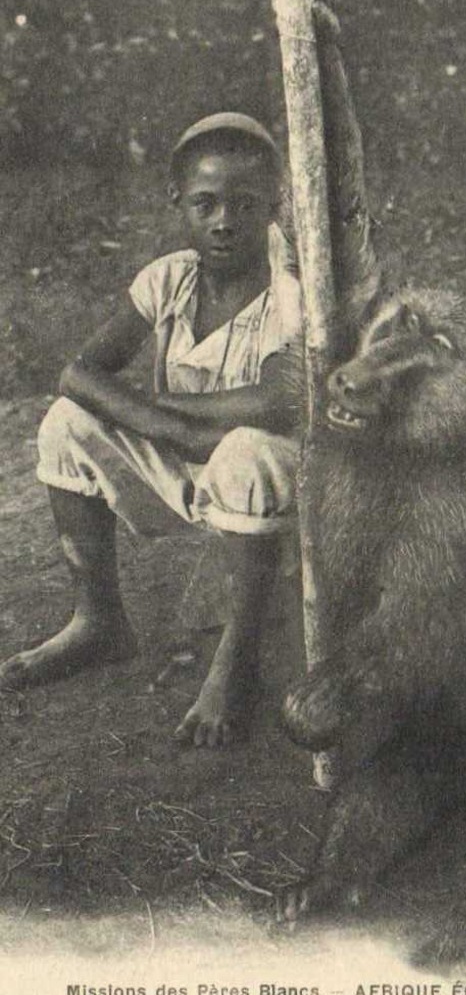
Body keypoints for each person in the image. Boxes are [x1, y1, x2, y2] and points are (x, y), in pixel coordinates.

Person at [0, 112, 304, 748]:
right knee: (66, 425)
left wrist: (158, 415)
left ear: (274, 206)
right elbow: (78, 373)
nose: (224, 221)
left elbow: (278, 398)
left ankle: (235, 660)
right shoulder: (169, 279)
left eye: (245, 205)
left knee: (249, 449)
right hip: (181, 458)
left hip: (269, 489)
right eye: (205, 203)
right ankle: (98, 619)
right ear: (179, 205)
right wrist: (161, 422)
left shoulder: (290, 290)